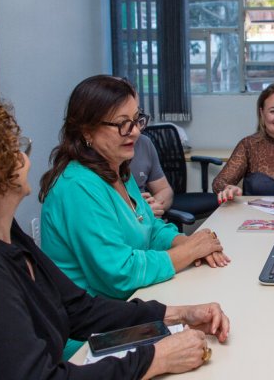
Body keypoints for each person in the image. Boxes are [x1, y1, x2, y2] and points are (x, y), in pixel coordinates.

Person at [0, 92, 231, 378]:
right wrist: (155, 359)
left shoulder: (1, 235)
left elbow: (79, 310)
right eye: (13, 146)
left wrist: (180, 314)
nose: (23, 154)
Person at [38, 75, 230, 357]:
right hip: (89, 336)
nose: (136, 132)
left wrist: (190, 244)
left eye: (137, 119)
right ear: (86, 131)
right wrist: (188, 252)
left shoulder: (117, 169)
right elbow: (118, 274)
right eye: (121, 123)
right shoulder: (76, 187)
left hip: (128, 308)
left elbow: (151, 229)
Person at [131, 133, 174, 217]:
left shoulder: (144, 142)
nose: (136, 130)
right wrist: (139, 211)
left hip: (149, 222)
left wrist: (153, 207)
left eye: (138, 122)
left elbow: (164, 189)